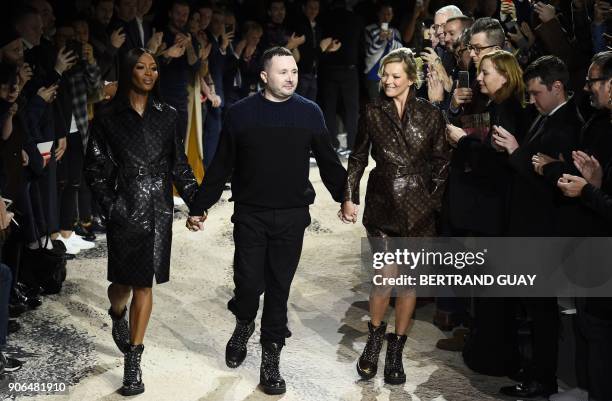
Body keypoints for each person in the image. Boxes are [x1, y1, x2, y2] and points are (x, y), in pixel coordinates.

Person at [188, 46, 346, 395]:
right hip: (251, 214)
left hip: (292, 215)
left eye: (293, 71)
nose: (290, 77)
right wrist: (200, 205)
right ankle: (244, 322)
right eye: (282, 72)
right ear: (264, 76)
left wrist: (345, 197)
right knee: (247, 286)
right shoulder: (241, 114)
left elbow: (329, 160)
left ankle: (271, 358)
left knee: (278, 289)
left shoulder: (309, 113)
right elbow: (222, 163)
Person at [84, 48, 200, 396]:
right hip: (126, 206)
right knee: (122, 286)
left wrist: (197, 201)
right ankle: (117, 313)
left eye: (153, 68)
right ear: (127, 71)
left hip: (159, 208)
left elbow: (179, 164)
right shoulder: (107, 116)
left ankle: (132, 364)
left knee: (145, 285)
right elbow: (94, 168)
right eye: (140, 67)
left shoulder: (168, 115)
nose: (149, 74)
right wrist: (112, 206)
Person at [341, 47, 450, 384]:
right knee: (385, 277)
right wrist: (348, 196)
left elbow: (442, 162)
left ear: (411, 80)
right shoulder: (372, 111)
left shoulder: (431, 115)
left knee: (408, 283)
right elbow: (358, 157)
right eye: (384, 75)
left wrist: (432, 201)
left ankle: (396, 350)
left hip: (420, 207)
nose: (387, 80)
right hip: (382, 203)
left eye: (395, 76)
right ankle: (374, 339)